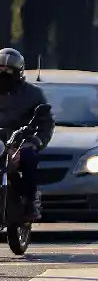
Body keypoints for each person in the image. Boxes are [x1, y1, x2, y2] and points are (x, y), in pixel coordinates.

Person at [0, 49, 54, 221]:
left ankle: (30, 201)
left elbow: (46, 122)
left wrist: (37, 140)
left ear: (19, 72)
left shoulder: (33, 94)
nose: (4, 76)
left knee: (29, 157)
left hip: (21, 141)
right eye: (0, 71)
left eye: (9, 72)